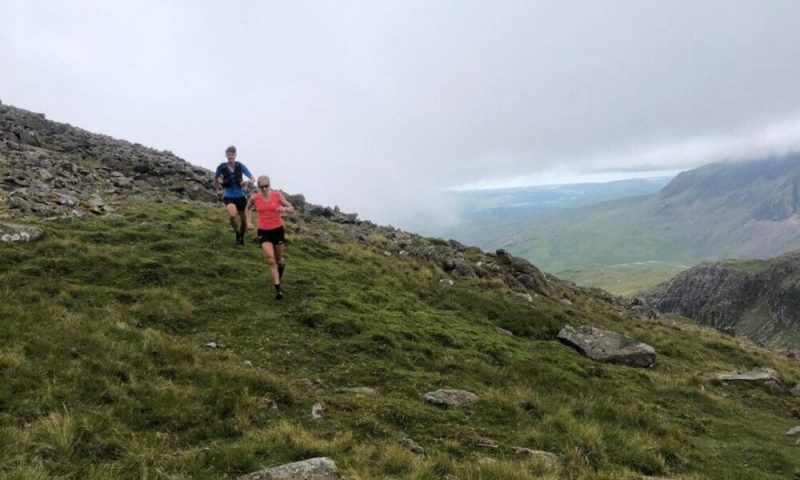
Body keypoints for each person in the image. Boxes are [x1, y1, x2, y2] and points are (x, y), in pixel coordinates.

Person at [246, 175, 295, 299]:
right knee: (270, 259)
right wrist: (248, 222)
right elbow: (248, 208)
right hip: (263, 231)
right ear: (258, 186)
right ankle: (278, 289)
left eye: (266, 186)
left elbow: (291, 207)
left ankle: (280, 270)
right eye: (261, 186)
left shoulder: (277, 195)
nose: (264, 188)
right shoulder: (255, 197)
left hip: (278, 230)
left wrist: (285, 208)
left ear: (269, 185)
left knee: (279, 260)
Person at [214, 145, 256, 245]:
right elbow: (215, 179)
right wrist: (218, 189)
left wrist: (247, 182)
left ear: (235, 155)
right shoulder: (221, 167)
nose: (230, 156)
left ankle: (241, 237)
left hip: (240, 196)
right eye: (228, 154)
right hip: (228, 196)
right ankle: (237, 233)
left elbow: (252, 179)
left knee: (244, 220)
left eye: (232, 154)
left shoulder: (240, 166)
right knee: (232, 215)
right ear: (226, 155)